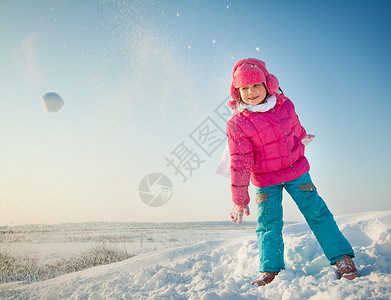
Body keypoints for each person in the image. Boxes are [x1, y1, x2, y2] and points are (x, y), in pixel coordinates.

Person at [219, 57, 359, 286]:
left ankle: (342, 257)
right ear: (237, 92)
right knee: (268, 223)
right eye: (244, 88)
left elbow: (294, 125)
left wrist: (303, 136)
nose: (251, 92)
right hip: (265, 180)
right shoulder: (237, 125)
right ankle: (270, 270)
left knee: (317, 212)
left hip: (296, 171)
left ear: (269, 85)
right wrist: (239, 199)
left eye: (256, 85)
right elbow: (240, 163)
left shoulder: (285, 105)